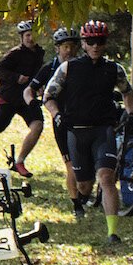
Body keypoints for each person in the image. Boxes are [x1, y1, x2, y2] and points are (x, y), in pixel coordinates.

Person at [43, 19, 133, 245]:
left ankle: (112, 232)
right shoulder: (68, 68)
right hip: (76, 131)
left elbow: (127, 92)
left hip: (103, 130)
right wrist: (57, 115)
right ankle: (82, 199)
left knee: (106, 177)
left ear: (105, 43)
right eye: (91, 41)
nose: (96, 46)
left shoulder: (113, 69)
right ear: (83, 44)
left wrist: (131, 113)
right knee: (84, 184)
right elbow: (48, 96)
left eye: (100, 41)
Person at [0, 21, 45, 176]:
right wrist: (16, 77)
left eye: (33, 35)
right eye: (27, 35)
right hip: (9, 96)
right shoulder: (15, 53)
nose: (30, 38)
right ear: (21, 37)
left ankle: (20, 161)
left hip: (27, 98)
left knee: (37, 125)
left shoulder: (40, 53)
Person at [30, 27, 81, 204]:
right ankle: (77, 203)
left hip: (85, 118)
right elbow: (30, 90)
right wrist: (32, 101)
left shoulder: (83, 66)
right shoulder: (50, 68)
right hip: (62, 121)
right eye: (65, 46)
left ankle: (84, 195)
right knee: (71, 165)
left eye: (73, 47)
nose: (69, 51)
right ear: (57, 48)